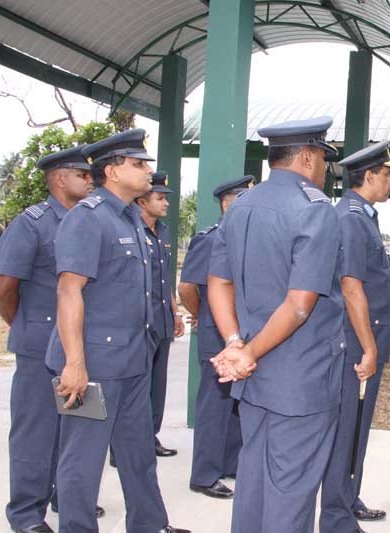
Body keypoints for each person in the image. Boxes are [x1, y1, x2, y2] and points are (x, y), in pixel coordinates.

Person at [46, 129, 189, 533]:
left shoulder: (130, 218)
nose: (147, 171)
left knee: (138, 452)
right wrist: (75, 363)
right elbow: (69, 291)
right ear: (112, 171)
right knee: (82, 460)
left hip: (132, 359)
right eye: (138, 164)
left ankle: (150, 524)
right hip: (94, 364)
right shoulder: (87, 218)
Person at [208, 117, 345, 533]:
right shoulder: (315, 209)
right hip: (301, 379)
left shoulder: (240, 205)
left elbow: (218, 282)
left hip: (253, 377)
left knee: (253, 481)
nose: (325, 169)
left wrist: (236, 343)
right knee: (291, 492)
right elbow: (300, 305)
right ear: (308, 157)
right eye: (323, 159)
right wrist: (245, 352)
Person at [0, 146, 105, 533]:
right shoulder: (32, 224)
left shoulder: (89, 221)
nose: (90, 182)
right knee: (35, 434)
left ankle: (66, 496)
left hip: (79, 345)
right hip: (39, 346)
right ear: (59, 179)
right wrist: (26, 326)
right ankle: (27, 514)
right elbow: (6, 289)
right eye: (83, 175)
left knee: (74, 429)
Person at [320, 142, 390, 533]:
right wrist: (368, 347)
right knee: (348, 428)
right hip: (356, 344)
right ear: (369, 176)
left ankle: (348, 498)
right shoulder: (351, 219)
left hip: (367, 339)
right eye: (387, 174)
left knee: (358, 426)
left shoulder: (364, 216)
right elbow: (351, 287)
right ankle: (337, 518)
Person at [179, 176, 251, 499]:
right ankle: (204, 475)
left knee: (234, 404)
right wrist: (202, 316)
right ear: (226, 204)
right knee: (214, 404)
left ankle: (229, 462)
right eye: (242, 199)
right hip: (216, 334)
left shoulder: (244, 239)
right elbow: (186, 288)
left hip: (240, 335)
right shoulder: (209, 240)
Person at [135, 170, 184, 456]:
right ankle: (126, 445)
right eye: (160, 198)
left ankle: (149, 438)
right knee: (137, 386)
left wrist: (175, 312)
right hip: (141, 323)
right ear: (142, 201)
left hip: (162, 320)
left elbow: (165, 279)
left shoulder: (162, 231)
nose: (166, 203)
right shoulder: (131, 230)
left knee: (157, 386)